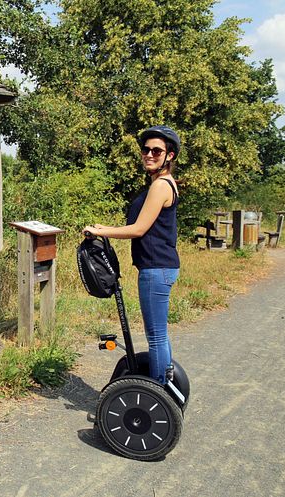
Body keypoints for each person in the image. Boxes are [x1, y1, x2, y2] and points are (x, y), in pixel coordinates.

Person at [82, 125, 181, 385]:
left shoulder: (160, 185)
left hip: (156, 269)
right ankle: (165, 381)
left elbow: (139, 229)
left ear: (169, 155)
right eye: (145, 150)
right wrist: (103, 229)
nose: (149, 154)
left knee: (156, 335)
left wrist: (104, 231)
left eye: (156, 151)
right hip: (160, 267)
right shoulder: (162, 184)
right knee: (159, 332)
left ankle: (158, 389)